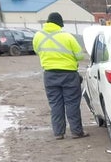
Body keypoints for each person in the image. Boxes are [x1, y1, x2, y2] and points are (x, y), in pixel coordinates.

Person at [32, 12, 89, 140]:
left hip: (49, 74)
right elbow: (80, 56)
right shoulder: (67, 37)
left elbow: (36, 51)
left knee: (55, 104)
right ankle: (76, 132)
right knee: (72, 104)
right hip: (69, 74)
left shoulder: (38, 36)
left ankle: (58, 133)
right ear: (60, 24)